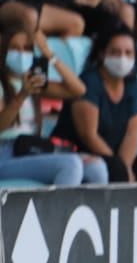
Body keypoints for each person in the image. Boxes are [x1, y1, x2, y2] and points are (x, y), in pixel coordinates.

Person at [51, 24, 137, 182]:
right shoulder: (89, 82)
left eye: (128, 53)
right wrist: (120, 167)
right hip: (79, 155)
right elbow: (89, 135)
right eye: (115, 52)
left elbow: (132, 134)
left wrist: (126, 167)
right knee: (116, 169)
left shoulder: (133, 86)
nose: (122, 58)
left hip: (113, 158)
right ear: (102, 54)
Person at [0, 22, 103, 185]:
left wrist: (49, 54)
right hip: (5, 153)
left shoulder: (33, 82)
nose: (21, 53)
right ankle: (59, 210)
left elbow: (78, 89)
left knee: (97, 167)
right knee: (70, 165)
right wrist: (21, 95)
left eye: (27, 48)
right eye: (14, 48)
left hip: (31, 148)